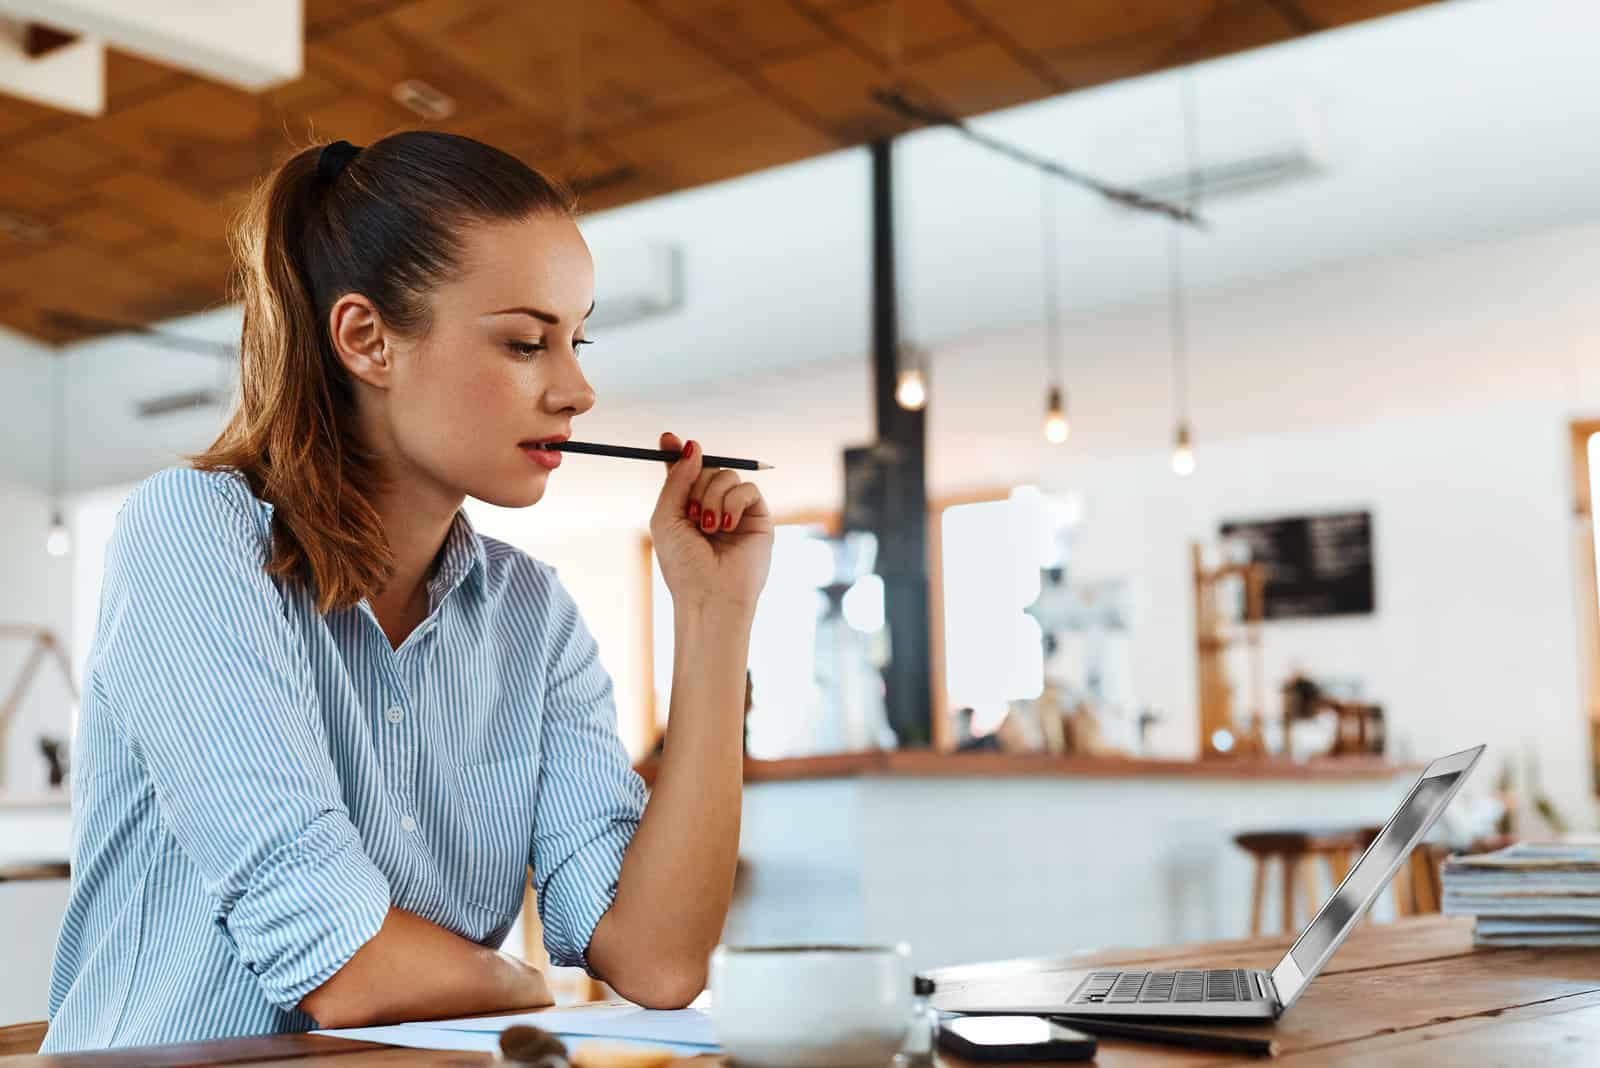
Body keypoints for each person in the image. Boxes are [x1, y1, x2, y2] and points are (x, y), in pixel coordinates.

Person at [40, 132, 773, 1052]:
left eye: (575, 341)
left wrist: (714, 615)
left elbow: (658, 961)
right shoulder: (194, 534)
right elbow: (342, 964)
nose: (578, 389)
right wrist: (518, 982)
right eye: (524, 342)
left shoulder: (534, 619)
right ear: (368, 340)